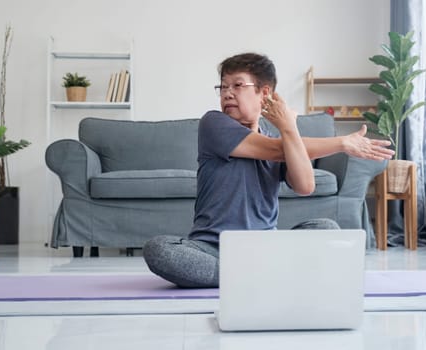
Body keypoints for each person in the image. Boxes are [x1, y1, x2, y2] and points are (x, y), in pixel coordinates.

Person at [143, 53, 393, 288]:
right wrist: (340, 143)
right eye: (223, 86)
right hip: (211, 249)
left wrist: (288, 128)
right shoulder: (214, 124)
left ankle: (246, 273)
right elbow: (276, 150)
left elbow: (305, 186)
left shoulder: (280, 137)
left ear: (265, 94)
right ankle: (264, 273)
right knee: (159, 249)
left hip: (265, 248)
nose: (227, 93)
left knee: (325, 229)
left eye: (237, 85)